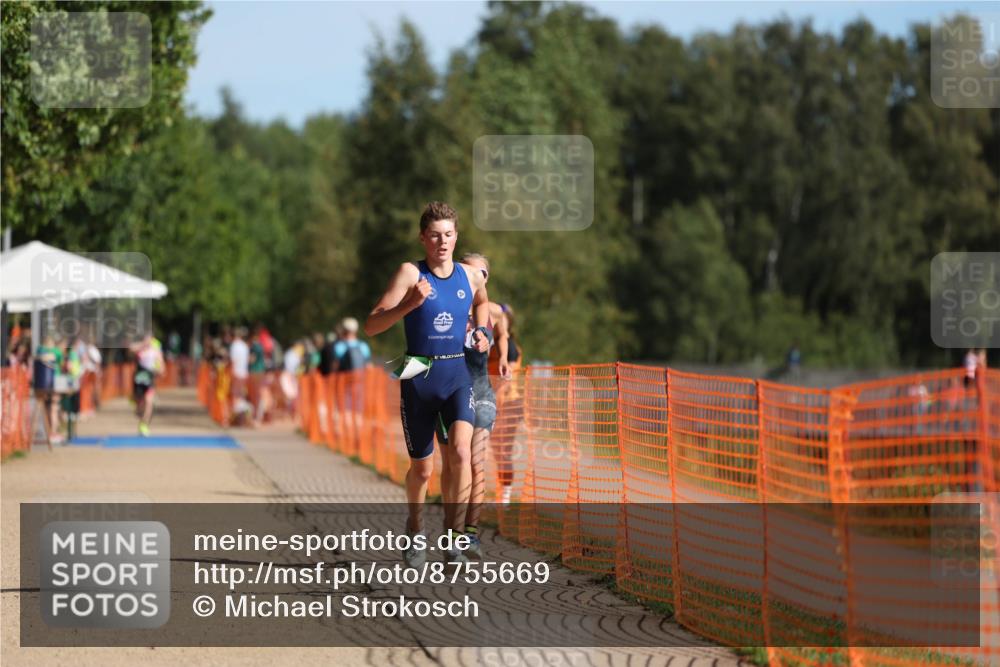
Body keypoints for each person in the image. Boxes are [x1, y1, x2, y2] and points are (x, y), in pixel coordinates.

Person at [364, 201, 490, 567]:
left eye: (449, 234)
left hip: (456, 373)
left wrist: (482, 330)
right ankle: (415, 527)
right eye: (434, 235)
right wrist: (408, 305)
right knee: (422, 469)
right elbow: (372, 324)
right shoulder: (409, 273)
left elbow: (482, 300)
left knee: (462, 454)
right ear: (423, 238)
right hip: (418, 372)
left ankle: (453, 539)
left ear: (456, 236)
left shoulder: (470, 275)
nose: (443, 242)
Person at [436, 253, 510, 559]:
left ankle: (469, 534)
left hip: (480, 391)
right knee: (453, 466)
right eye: (466, 269)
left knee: (475, 463)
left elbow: (503, 329)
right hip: (448, 393)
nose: (472, 275)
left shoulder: (491, 309)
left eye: (479, 271)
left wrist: (503, 355)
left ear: (486, 278)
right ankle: (449, 530)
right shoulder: (449, 305)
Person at [489, 302, 523, 506]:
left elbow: (506, 377)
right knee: (496, 450)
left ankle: (506, 498)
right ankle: (503, 494)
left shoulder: (509, 347)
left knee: (504, 450)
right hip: (496, 402)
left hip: (508, 403)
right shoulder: (494, 344)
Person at [130, 332, 165, 436]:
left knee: (149, 402)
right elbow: (131, 349)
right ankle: (138, 408)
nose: (148, 340)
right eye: (147, 338)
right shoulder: (140, 349)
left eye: (150, 338)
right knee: (140, 406)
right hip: (139, 379)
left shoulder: (155, 350)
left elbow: (160, 361)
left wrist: (161, 369)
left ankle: (144, 425)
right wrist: (143, 345)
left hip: (149, 379)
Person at [34, 334, 64, 444]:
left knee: (43, 407)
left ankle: (43, 432)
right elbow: (61, 363)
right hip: (54, 382)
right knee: (54, 407)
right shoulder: (57, 351)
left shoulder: (39, 349)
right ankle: (53, 432)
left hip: (41, 384)